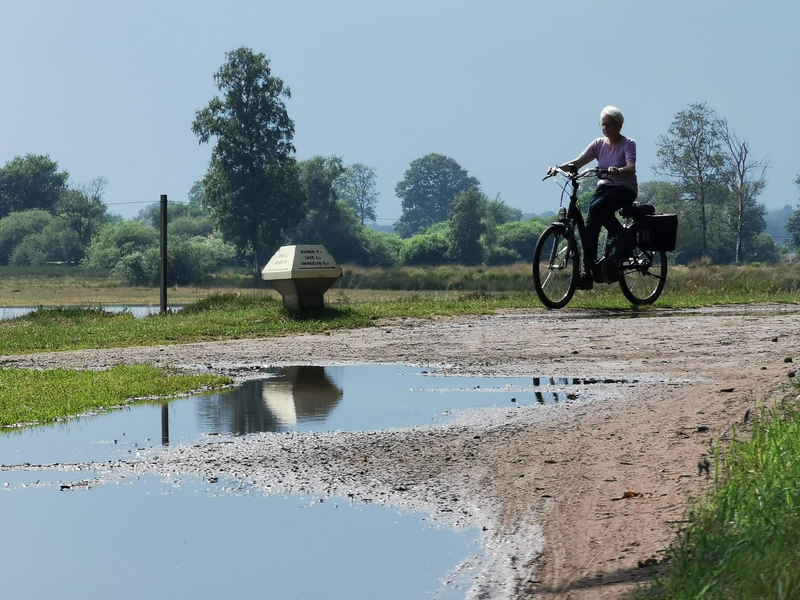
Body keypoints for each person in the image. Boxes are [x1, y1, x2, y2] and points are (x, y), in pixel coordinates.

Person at [548, 106, 638, 288]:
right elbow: (579, 161)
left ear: (619, 125)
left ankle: (625, 237)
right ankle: (588, 272)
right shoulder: (598, 144)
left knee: (595, 209)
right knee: (590, 226)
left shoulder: (628, 143)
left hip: (624, 188)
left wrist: (618, 171)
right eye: (602, 125)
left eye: (609, 124)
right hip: (604, 189)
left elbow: (631, 167)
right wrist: (558, 167)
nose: (605, 128)